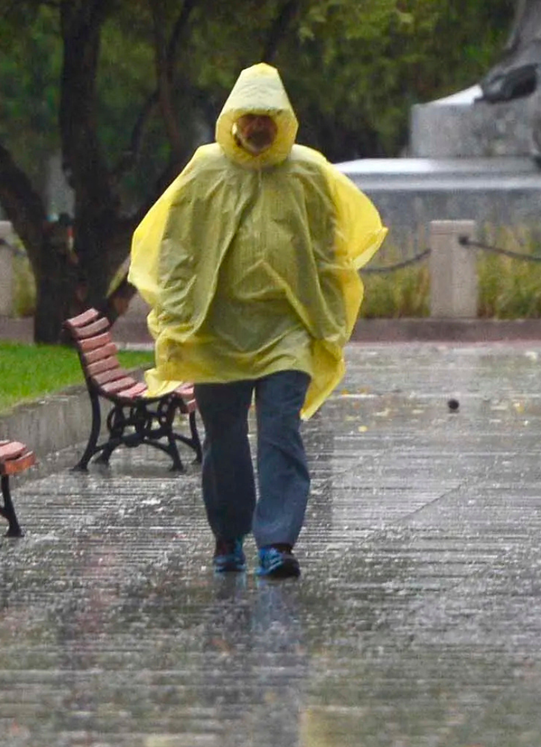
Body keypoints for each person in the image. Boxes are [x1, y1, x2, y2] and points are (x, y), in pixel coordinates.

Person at [128, 63, 387, 579]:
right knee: (223, 439)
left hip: (285, 333)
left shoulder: (308, 173)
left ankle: (278, 542)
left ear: (284, 119)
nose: (259, 126)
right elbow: (179, 250)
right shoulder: (204, 171)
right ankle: (228, 534)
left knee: (279, 433)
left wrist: (327, 318)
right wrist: (177, 320)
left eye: (269, 116)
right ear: (234, 119)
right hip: (215, 331)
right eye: (250, 116)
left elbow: (328, 252)